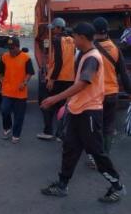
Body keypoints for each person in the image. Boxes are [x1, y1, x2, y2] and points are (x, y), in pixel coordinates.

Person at [40, 22, 125, 203]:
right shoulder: (85, 55)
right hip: (79, 111)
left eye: (75, 37)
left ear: (82, 38)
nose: (73, 40)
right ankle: (62, 185)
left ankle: (117, 186)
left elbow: (83, 83)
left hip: (89, 113)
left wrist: (55, 99)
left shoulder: (92, 57)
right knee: (70, 148)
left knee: (97, 153)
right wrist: (69, 103)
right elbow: (80, 84)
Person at [85, 17, 131, 168]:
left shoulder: (89, 49)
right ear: (107, 30)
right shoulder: (115, 48)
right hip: (112, 94)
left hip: (95, 95)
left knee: (93, 127)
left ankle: (94, 157)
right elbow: (123, 74)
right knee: (108, 126)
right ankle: (104, 157)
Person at [37, 18, 75, 141]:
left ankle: (48, 131)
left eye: (53, 28)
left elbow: (59, 62)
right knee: (63, 106)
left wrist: (52, 79)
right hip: (70, 79)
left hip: (58, 78)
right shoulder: (72, 40)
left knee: (45, 103)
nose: (52, 30)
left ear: (59, 28)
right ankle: (61, 134)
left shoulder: (57, 40)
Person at [0, 37, 35, 144]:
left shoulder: (26, 58)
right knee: (4, 110)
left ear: (18, 47)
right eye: (9, 48)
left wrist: (24, 82)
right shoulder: (5, 57)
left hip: (20, 92)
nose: (11, 50)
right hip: (7, 90)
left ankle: (16, 134)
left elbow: (29, 72)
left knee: (19, 116)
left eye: (13, 48)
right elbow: (0, 71)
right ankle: (7, 127)